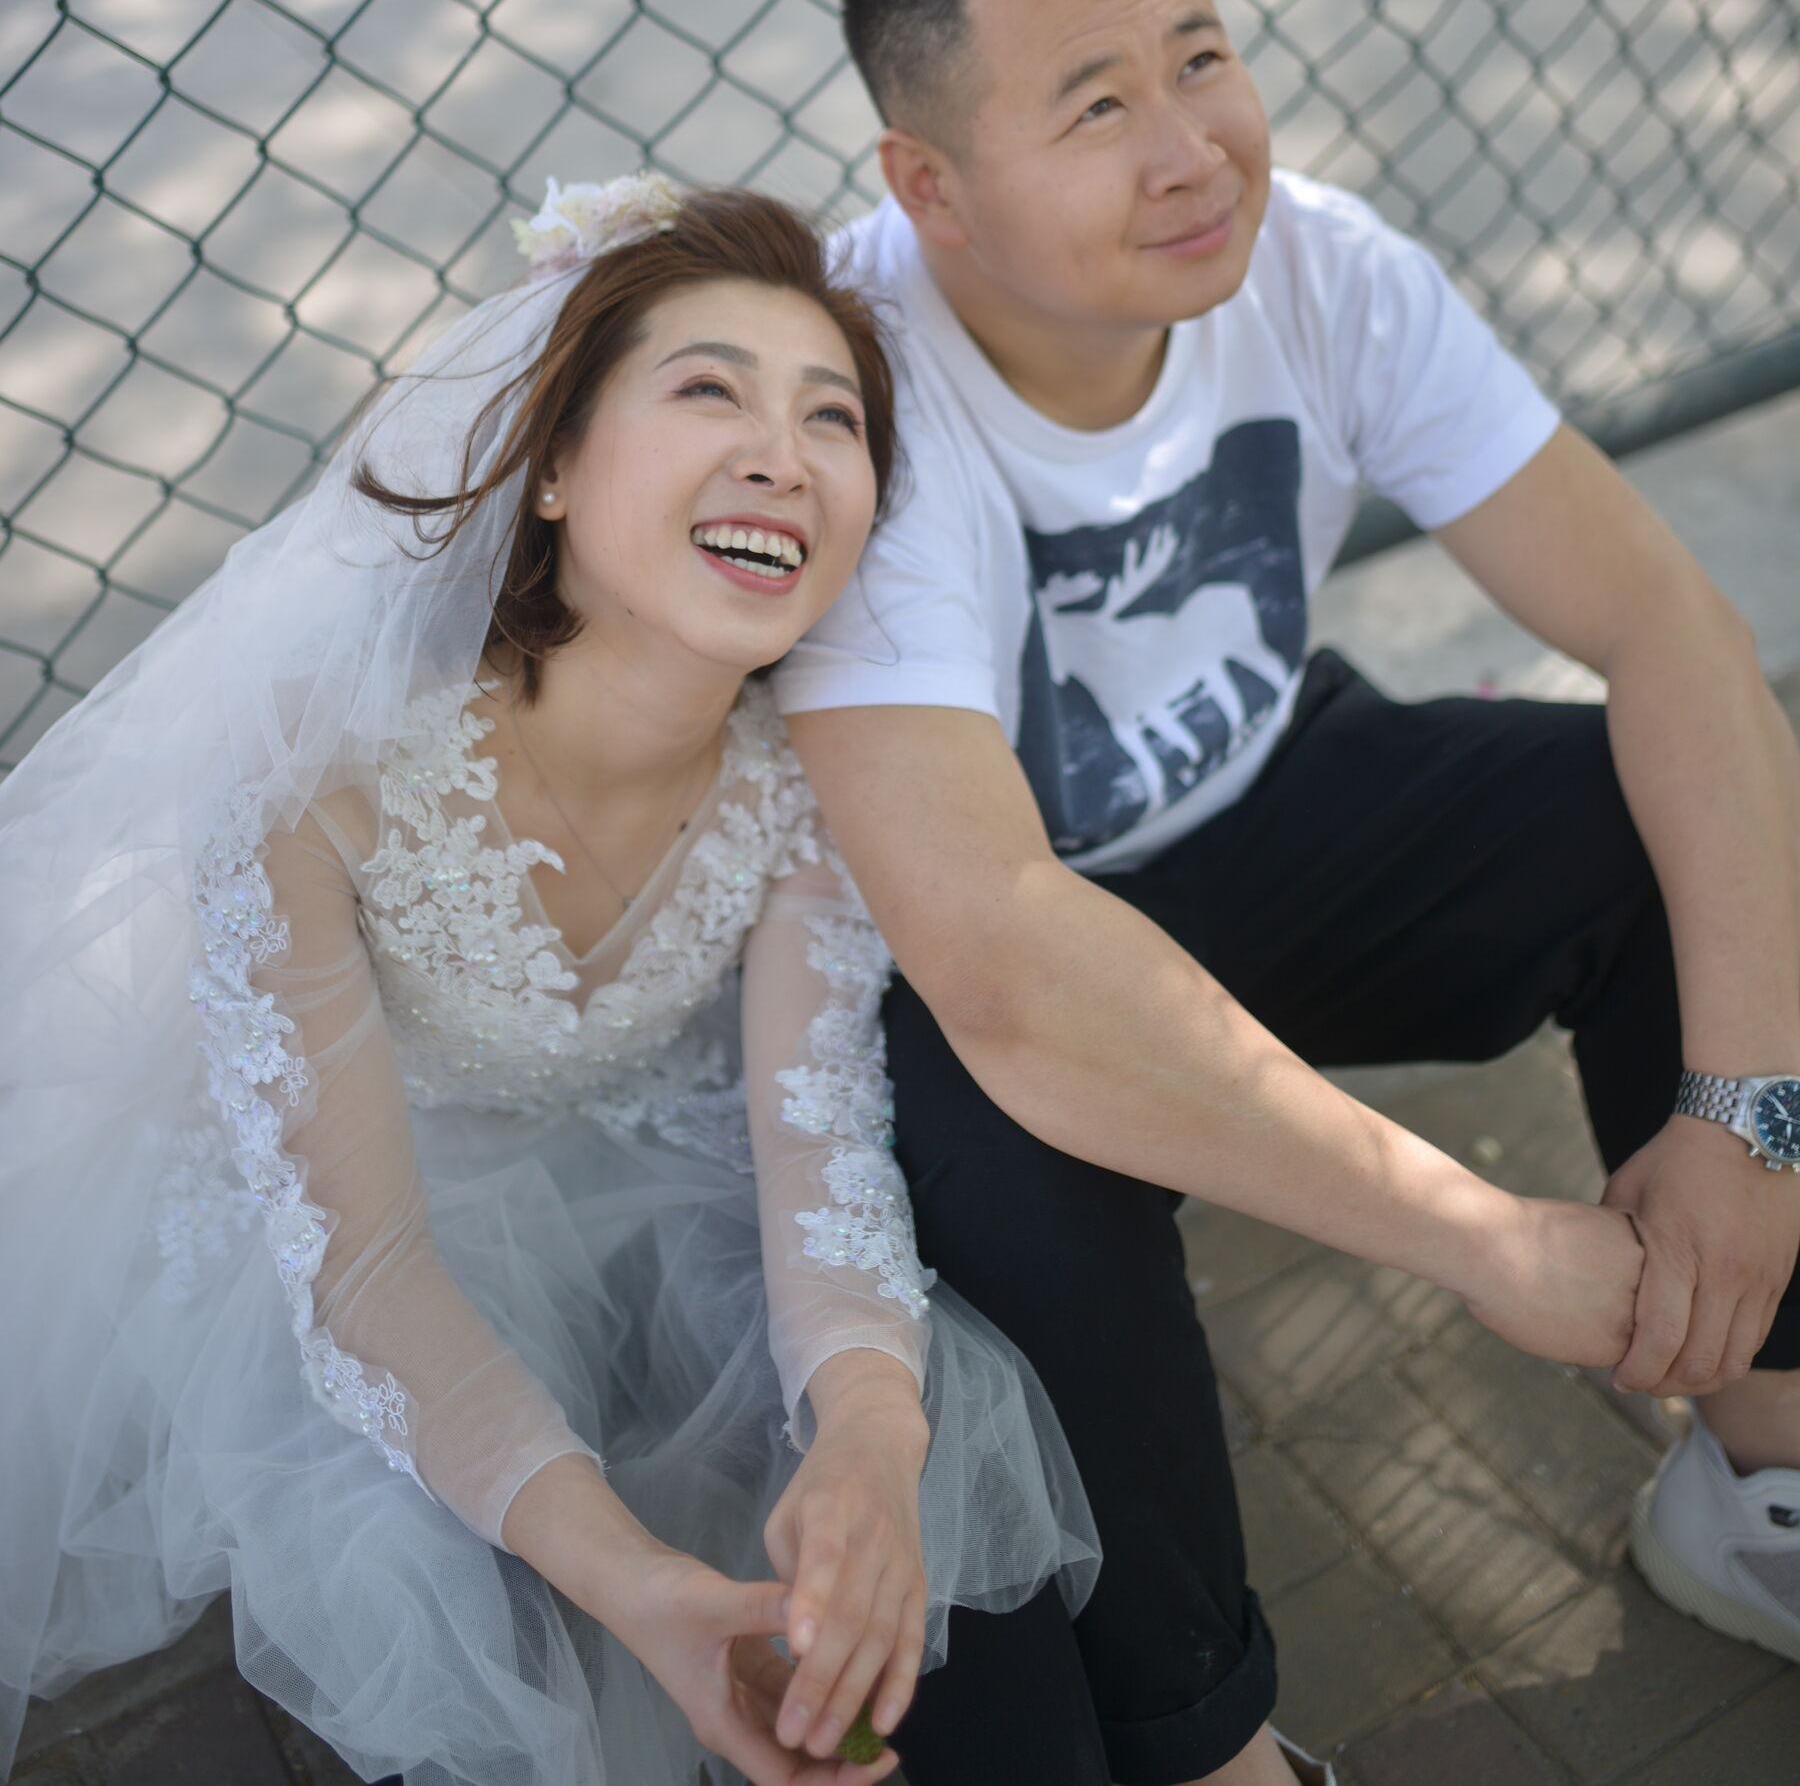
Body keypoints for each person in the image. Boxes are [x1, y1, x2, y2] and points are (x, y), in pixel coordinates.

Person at [777, 0, 1800, 1786]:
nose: (1192, 151)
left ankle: (1768, 1468)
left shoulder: (1322, 265)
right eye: (1097, 107)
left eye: (1201, 57)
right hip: (969, 940)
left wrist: (1755, 1114)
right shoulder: (850, 395)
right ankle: (1209, 1745)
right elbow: (1000, 959)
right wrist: (1480, 1239)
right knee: (1007, 1170)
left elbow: (1673, 631)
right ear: (932, 187)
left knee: (1670, 819)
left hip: (1257, 800)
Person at [0, 176, 1096, 1786]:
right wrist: (634, 1584)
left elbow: (820, 1145)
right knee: (450, 1563)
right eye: (710, 389)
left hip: (655, 1161)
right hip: (367, 1198)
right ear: (560, 466)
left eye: (835, 419)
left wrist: (873, 1432)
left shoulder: (816, 784)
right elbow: (366, 1270)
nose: (782, 456)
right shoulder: (319, 776)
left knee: (893, 1445)